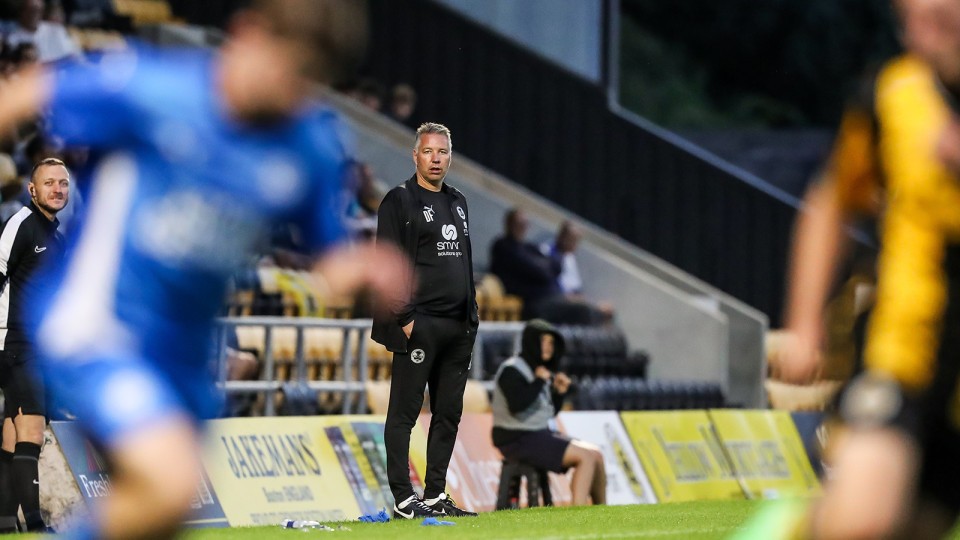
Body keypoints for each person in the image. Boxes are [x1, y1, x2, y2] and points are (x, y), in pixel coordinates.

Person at [0, 1, 413, 539]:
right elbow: (26, 94)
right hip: (96, 323)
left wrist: (367, 274)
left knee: (156, 514)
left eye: (312, 80)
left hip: (182, 358)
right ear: (247, 33)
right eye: (290, 68)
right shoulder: (153, 88)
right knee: (171, 483)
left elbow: (331, 268)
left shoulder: (307, 144)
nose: (295, 92)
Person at [739, 0, 960, 538]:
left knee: (912, 526)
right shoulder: (893, 95)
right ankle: (802, 526)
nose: (919, 35)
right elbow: (832, 199)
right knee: (865, 520)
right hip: (901, 349)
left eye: (935, 19)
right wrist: (805, 322)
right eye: (909, 21)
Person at [372, 122, 479, 519]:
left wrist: (472, 316)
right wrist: (405, 319)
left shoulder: (459, 202)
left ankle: (435, 495)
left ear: (450, 157)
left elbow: (465, 262)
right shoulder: (399, 200)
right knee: (404, 413)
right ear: (414, 155)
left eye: (443, 152)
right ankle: (403, 499)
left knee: (449, 413)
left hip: (458, 327)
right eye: (429, 152)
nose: (436, 159)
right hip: (421, 324)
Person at [0, 157, 68, 533]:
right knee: (32, 430)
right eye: (49, 183)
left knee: (13, 432)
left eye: (63, 183)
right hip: (13, 342)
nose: (57, 190)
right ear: (32, 189)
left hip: (34, 347)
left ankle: (7, 521)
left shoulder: (55, 235)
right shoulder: (21, 225)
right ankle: (38, 524)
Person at [491, 319, 606, 506]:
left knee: (596, 455)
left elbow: (546, 413)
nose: (548, 347)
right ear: (531, 342)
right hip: (516, 437)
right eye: (543, 341)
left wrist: (558, 393)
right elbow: (517, 405)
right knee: (585, 457)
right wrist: (537, 382)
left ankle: (603, 511)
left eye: (551, 342)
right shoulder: (512, 370)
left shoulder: (539, 371)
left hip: (537, 434)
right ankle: (580, 514)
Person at [4, 0, 81, 63]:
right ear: (22, 12)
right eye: (31, 10)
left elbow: (73, 55)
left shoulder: (56, 30)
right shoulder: (12, 39)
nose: (35, 15)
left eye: (38, 10)